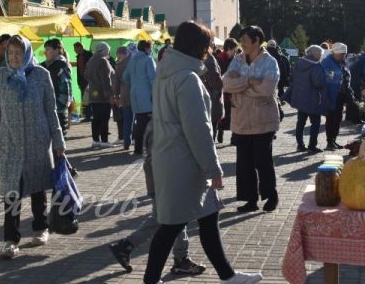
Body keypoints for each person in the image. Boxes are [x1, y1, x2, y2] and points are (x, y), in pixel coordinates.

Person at [145, 21, 263, 284]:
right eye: (208, 45)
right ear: (197, 47)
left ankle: (227, 275)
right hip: (185, 162)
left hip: (172, 158)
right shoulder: (187, 79)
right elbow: (198, 130)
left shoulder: (166, 72)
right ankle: (150, 280)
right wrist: (213, 170)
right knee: (172, 225)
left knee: (207, 217)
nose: (210, 50)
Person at [0, 35, 66, 259]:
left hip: (38, 141)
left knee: (37, 189)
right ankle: (10, 240)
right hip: (10, 143)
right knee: (11, 192)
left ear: (27, 53)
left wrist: (58, 142)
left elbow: (51, 111)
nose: (14, 57)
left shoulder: (41, 75)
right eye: (10, 53)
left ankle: (41, 228)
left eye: (18, 53)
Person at [109, 119, 205, 276]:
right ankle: (181, 260)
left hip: (161, 181)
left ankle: (125, 247)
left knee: (160, 218)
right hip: (163, 182)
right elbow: (158, 158)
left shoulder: (159, 120)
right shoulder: (161, 124)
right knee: (176, 218)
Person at [223, 25, 280, 213]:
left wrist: (240, 85)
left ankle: (271, 196)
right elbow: (227, 84)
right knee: (244, 163)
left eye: (246, 40)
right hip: (241, 120)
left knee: (263, 161)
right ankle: (250, 199)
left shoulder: (270, 62)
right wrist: (249, 81)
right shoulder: (238, 60)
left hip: (263, 120)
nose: (242, 44)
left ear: (257, 41)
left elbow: (266, 90)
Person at [285, 45, 326, 153]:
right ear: (316, 54)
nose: (321, 56)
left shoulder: (299, 63)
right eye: (321, 54)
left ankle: (300, 145)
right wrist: (325, 78)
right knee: (315, 123)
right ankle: (312, 145)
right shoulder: (316, 66)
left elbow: (293, 77)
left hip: (300, 97)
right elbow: (318, 82)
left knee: (300, 123)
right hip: (312, 98)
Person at [124, 40, 156, 155]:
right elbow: (153, 78)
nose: (151, 50)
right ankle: (145, 148)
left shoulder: (132, 59)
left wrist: (134, 84)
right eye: (151, 47)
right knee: (147, 122)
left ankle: (137, 148)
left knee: (138, 121)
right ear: (147, 48)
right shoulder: (148, 60)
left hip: (134, 94)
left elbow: (125, 77)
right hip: (146, 94)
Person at [321, 42, 352, 150]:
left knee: (338, 118)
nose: (343, 56)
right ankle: (329, 141)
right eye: (341, 54)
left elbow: (346, 76)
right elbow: (328, 80)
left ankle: (334, 139)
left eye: (344, 54)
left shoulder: (343, 62)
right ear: (335, 53)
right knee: (331, 119)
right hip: (331, 95)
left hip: (341, 94)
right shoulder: (327, 62)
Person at [85, 41, 115, 148]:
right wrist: (110, 95)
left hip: (94, 94)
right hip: (103, 96)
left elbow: (86, 76)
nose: (108, 52)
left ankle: (96, 140)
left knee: (96, 118)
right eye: (108, 50)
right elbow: (106, 80)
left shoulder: (91, 60)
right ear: (103, 50)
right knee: (104, 118)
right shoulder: (103, 61)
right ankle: (105, 141)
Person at [41, 39, 73, 136]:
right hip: (45, 107)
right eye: (45, 49)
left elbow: (66, 87)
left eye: (48, 49)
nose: (45, 52)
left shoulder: (62, 66)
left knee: (58, 139)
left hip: (58, 109)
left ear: (56, 50)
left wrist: (61, 105)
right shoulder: (44, 66)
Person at [216, 38, 239, 144]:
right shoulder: (219, 59)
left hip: (233, 90)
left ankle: (234, 138)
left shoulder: (236, 59)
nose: (235, 53)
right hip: (222, 91)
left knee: (234, 114)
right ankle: (220, 133)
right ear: (227, 49)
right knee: (223, 114)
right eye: (233, 50)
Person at [202, 45, 225, 142]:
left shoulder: (199, 58)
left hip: (206, 98)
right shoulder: (209, 60)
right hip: (211, 98)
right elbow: (215, 81)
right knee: (211, 132)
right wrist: (222, 82)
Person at [113, 46, 134, 150]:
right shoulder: (135, 62)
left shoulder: (119, 65)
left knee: (127, 120)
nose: (118, 56)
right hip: (137, 95)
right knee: (139, 119)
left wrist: (116, 96)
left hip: (125, 95)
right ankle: (136, 140)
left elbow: (116, 83)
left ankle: (127, 142)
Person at [267, 39, 290, 121]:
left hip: (265, 81)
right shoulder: (278, 55)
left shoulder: (263, 54)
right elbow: (283, 68)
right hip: (277, 78)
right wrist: (285, 78)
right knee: (275, 96)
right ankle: (278, 110)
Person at [73, 41, 94, 122]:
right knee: (84, 99)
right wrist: (78, 81)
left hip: (89, 80)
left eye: (75, 48)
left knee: (90, 98)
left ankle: (90, 115)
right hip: (82, 80)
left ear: (80, 47)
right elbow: (79, 70)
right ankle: (87, 115)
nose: (74, 50)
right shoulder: (78, 56)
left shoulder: (89, 54)